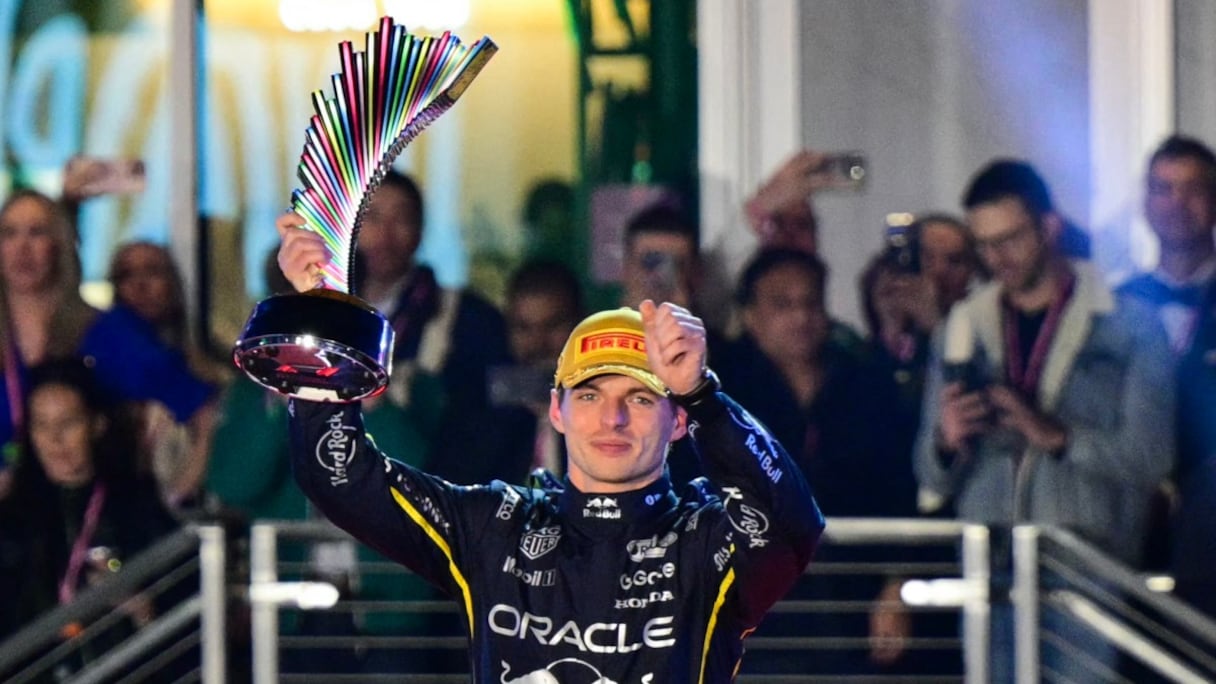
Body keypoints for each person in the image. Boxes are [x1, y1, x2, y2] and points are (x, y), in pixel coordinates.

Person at [276, 213, 825, 680]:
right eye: (589, 395)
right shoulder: (497, 527)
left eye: (639, 398)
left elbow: (792, 526)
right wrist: (321, 321)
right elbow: (341, 480)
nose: (611, 418)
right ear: (557, 411)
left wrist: (703, 395)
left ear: (678, 419)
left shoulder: (705, 540)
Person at [915, 159, 1175, 680]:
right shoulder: (962, 327)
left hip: (1087, 567)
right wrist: (948, 441)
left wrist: (1056, 436)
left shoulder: (1128, 325)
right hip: (990, 568)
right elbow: (927, 473)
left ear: (1049, 227)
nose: (997, 258)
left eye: (1010, 239)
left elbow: (1152, 458)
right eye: (984, 245)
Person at [718, 248, 923, 677]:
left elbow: (899, 488)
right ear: (751, 315)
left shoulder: (863, 383)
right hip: (755, 613)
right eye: (783, 304)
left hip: (852, 604)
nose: (801, 317)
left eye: (811, 303)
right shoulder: (721, 392)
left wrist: (896, 585)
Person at [0, 190, 217, 506]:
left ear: (60, 244)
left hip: (87, 519)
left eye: (37, 232)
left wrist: (172, 502)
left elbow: (206, 412)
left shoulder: (106, 332)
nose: (22, 248)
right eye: (9, 233)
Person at [0, 360, 177, 657]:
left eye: (68, 423)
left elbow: (180, 611)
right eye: (41, 425)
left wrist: (143, 610)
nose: (54, 439)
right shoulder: (13, 517)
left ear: (97, 425)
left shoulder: (136, 506)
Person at [429, 259, 583, 484]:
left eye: (552, 326)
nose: (537, 343)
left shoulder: (602, 411)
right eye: (523, 328)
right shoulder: (476, 411)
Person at [107, 241, 230, 510]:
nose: (140, 285)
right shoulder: (106, 344)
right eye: (126, 275)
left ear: (173, 282)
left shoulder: (209, 360)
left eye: (152, 271)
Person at [860, 214, 981, 429]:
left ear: (971, 272)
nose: (939, 271)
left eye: (954, 261)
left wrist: (935, 327)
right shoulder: (868, 350)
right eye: (927, 257)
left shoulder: (981, 331)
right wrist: (890, 332)